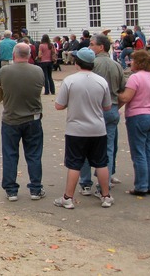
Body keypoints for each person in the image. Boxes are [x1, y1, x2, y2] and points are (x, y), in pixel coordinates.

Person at [54, 48, 114, 209]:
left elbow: (59, 105)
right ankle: (106, 196)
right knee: (101, 163)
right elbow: (107, 106)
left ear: (77, 62)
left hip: (76, 129)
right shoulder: (101, 81)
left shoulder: (70, 80)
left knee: (74, 163)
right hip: (97, 128)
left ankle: (68, 197)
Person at [0, 42, 45, 201]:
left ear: (13, 55)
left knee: (10, 154)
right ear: (29, 55)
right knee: (34, 154)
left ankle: (11, 190)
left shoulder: (5, 71)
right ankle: (35, 188)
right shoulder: (38, 70)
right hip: (33, 117)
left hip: (11, 118)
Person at [78, 34, 126, 196]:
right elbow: (122, 90)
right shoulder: (117, 65)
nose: (90, 47)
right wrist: (116, 106)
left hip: (93, 109)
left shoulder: (92, 64)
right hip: (111, 108)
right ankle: (105, 183)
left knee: (85, 146)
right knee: (109, 147)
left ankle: (85, 183)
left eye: (92, 45)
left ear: (101, 47)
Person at [117, 49, 150, 196]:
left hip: (138, 115)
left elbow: (126, 98)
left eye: (133, 60)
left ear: (139, 62)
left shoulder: (135, 78)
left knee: (138, 152)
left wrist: (117, 93)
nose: (131, 62)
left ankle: (141, 185)